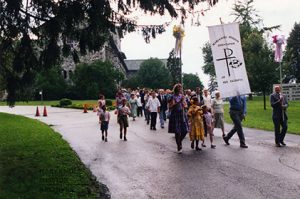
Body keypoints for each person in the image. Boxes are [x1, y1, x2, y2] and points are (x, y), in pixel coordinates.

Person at [168, 84, 189, 153]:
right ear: (176, 89)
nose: (180, 89)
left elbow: (185, 105)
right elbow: (171, 106)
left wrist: (184, 105)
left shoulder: (182, 96)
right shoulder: (172, 96)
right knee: (177, 132)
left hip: (182, 114)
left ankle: (179, 142)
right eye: (179, 88)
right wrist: (180, 101)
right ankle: (179, 147)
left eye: (181, 88)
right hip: (175, 114)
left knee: (185, 130)